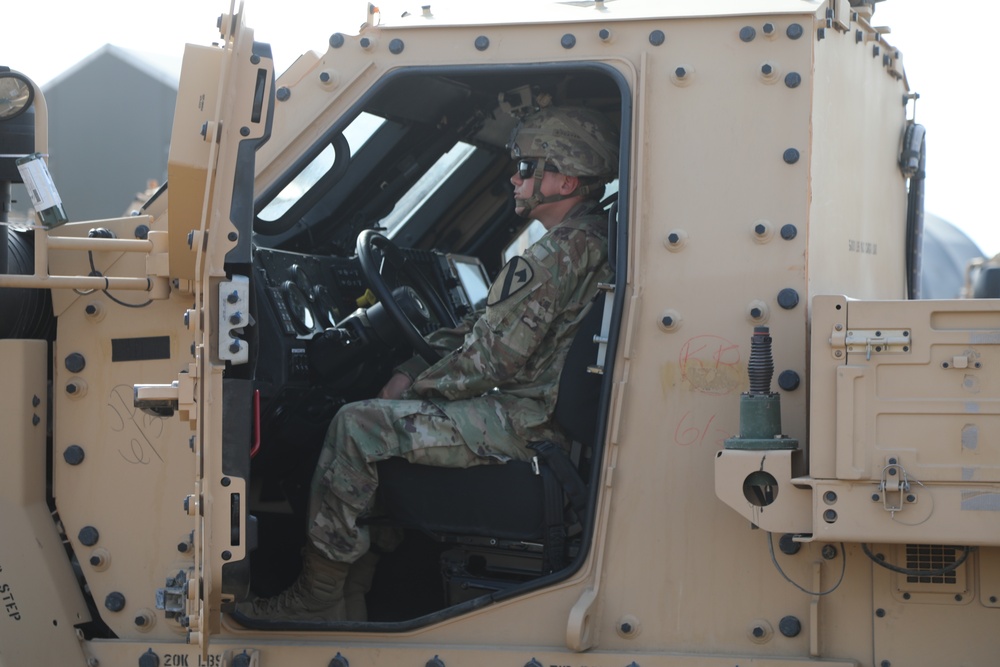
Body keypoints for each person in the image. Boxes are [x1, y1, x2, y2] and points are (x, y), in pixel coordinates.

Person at [235, 104, 619, 623]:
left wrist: (409, 387)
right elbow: (487, 324)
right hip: (535, 412)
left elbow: (488, 363)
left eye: (527, 167)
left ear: (566, 178)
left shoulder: (553, 257)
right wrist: (417, 363)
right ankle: (354, 593)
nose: (515, 177)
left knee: (357, 424)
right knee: (380, 422)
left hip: (525, 422)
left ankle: (318, 597)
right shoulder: (585, 240)